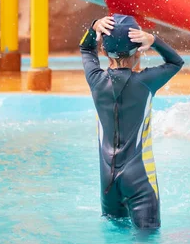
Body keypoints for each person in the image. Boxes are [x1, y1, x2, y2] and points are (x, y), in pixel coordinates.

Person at [79, 13, 184, 230]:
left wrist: (93, 26)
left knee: (114, 239)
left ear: (104, 51)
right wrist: (154, 41)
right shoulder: (146, 82)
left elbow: (85, 48)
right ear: (138, 50)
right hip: (139, 179)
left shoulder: (96, 80)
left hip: (107, 181)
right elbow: (176, 61)